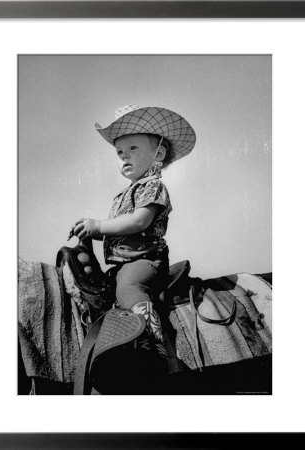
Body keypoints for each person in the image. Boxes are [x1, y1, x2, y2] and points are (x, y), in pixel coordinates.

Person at [68, 104, 196, 381]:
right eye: (120, 152)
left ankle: (148, 342)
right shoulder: (122, 195)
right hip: (124, 263)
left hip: (144, 261)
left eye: (133, 148)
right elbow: (120, 230)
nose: (124, 156)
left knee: (130, 288)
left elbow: (139, 222)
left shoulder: (152, 186)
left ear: (158, 154)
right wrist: (90, 230)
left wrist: (99, 225)